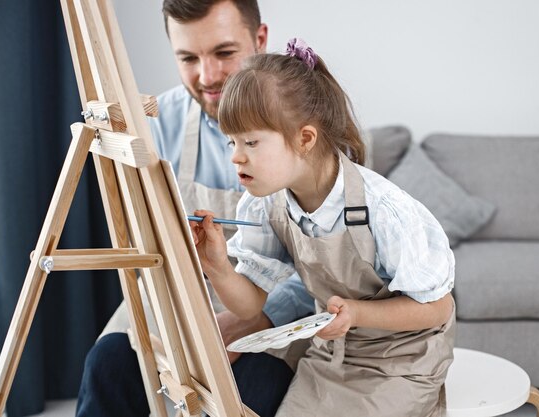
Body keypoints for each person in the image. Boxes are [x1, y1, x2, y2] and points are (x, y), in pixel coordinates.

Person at [192, 39, 457, 417]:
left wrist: (356, 313)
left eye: (250, 141)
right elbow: (249, 304)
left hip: (405, 360)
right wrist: (216, 265)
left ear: (305, 139)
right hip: (334, 354)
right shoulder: (268, 203)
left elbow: (436, 307)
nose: (235, 155)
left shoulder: (383, 209)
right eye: (231, 141)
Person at [75, 2, 315, 416]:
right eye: (188, 58)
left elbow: (326, 265)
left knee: (253, 388)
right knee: (107, 366)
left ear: (260, 40)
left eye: (224, 53)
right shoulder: (154, 122)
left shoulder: (306, 128)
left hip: (272, 310)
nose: (207, 77)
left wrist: (253, 320)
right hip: (173, 303)